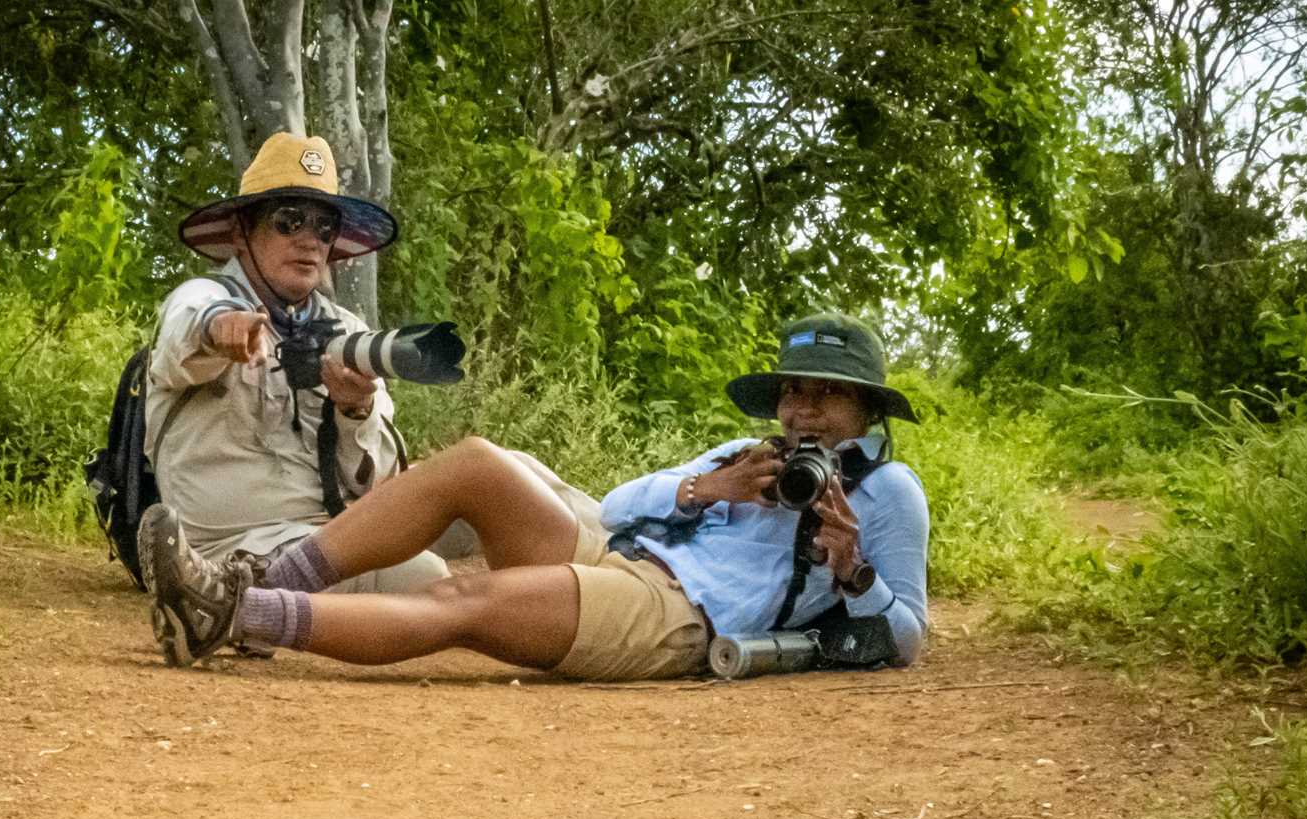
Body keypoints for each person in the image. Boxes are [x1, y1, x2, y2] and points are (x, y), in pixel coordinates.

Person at [139, 311, 930, 681]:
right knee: (476, 464)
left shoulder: (888, 491)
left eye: (826, 396)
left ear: (866, 409)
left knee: (468, 597)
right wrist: (705, 486)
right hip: (626, 554)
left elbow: (907, 637)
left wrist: (854, 573)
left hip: (685, 615)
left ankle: (234, 618)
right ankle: (258, 580)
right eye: (793, 393)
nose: (802, 412)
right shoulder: (751, 453)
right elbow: (619, 508)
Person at [149, 131, 444, 594]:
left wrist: (356, 412)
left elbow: (381, 487)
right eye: (289, 221)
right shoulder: (203, 297)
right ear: (239, 233)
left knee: (487, 490)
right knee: (425, 578)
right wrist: (220, 331)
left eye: (324, 228)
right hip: (227, 541)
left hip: (326, 532)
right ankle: (218, 590)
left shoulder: (346, 328)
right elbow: (185, 335)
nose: (309, 240)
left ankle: (590, 552)